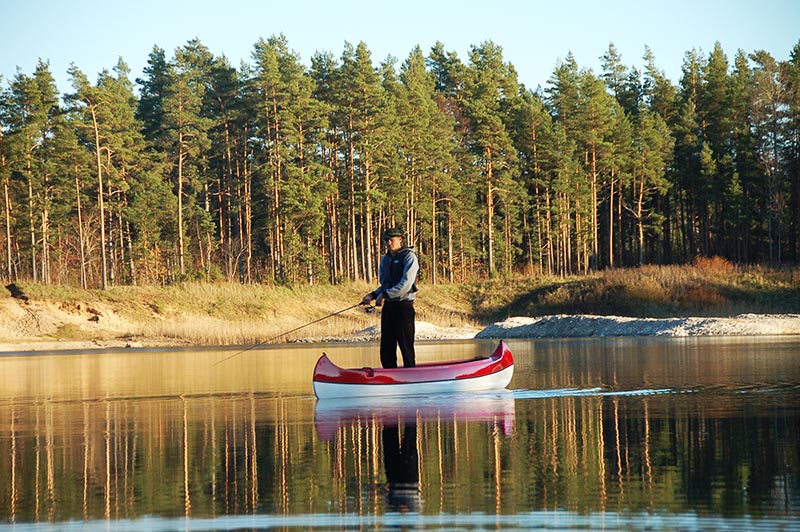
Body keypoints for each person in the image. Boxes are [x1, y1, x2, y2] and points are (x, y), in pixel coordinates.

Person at [361, 227, 419, 368]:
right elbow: (385, 284)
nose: (388, 243)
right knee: (386, 347)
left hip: (404, 306)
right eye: (386, 240)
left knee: (406, 346)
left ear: (400, 239)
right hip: (389, 308)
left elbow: (405, 284)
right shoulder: (385, 259)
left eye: (391, 240)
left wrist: (384, 295)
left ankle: (411, 374)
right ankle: (389, 376)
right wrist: (373, 295)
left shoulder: (409, 257)